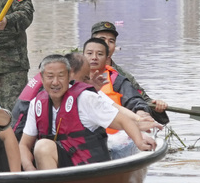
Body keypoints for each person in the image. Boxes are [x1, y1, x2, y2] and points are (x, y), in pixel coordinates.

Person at [19, 54, 157, 171]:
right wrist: (30, 170)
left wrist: (139, 141)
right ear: (42, 79)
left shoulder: (86, 98)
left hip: (89, 167)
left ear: (69, 77)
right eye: (50, 76)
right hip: (59, 168)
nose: (55, 82)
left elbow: (123, 120)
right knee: (42, 146)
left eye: (61, 76)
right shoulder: (36, 104)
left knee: (43, 145)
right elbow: (24, 144)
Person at [89, 20, 169, 125]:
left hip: (117, 130)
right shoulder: (77, 70)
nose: (107, 45)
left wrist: (157, 107)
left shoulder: (123, 76)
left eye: (111, 41)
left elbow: (142, 100)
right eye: (102, 40)